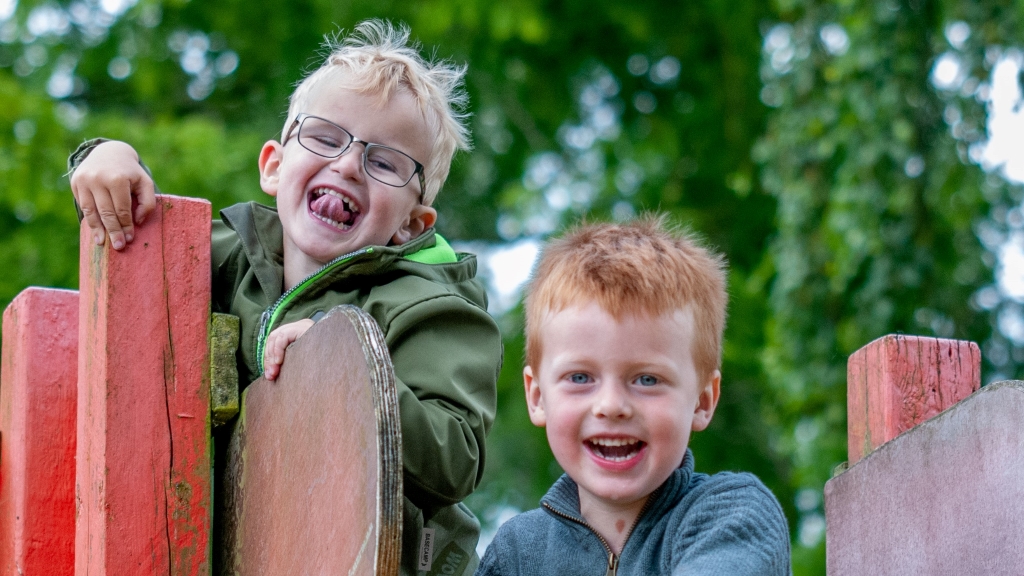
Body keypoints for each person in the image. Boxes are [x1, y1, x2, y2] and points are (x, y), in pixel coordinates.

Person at [68, 20, 501, 576]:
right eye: (325, 137)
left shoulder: (430, 307)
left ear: (412, 226)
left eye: (385, 162)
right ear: (274, 165)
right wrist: (105, 156)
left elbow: (456, 458)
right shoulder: (229, 255)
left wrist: (348, 377)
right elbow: (141, 231)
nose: (347, 164)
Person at [477, 217, 791, 575]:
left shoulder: (731, 514)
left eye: (646, 379)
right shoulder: (517, 553)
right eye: (580, 377)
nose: (611, 405)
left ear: (703, 401)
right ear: (537, 397)